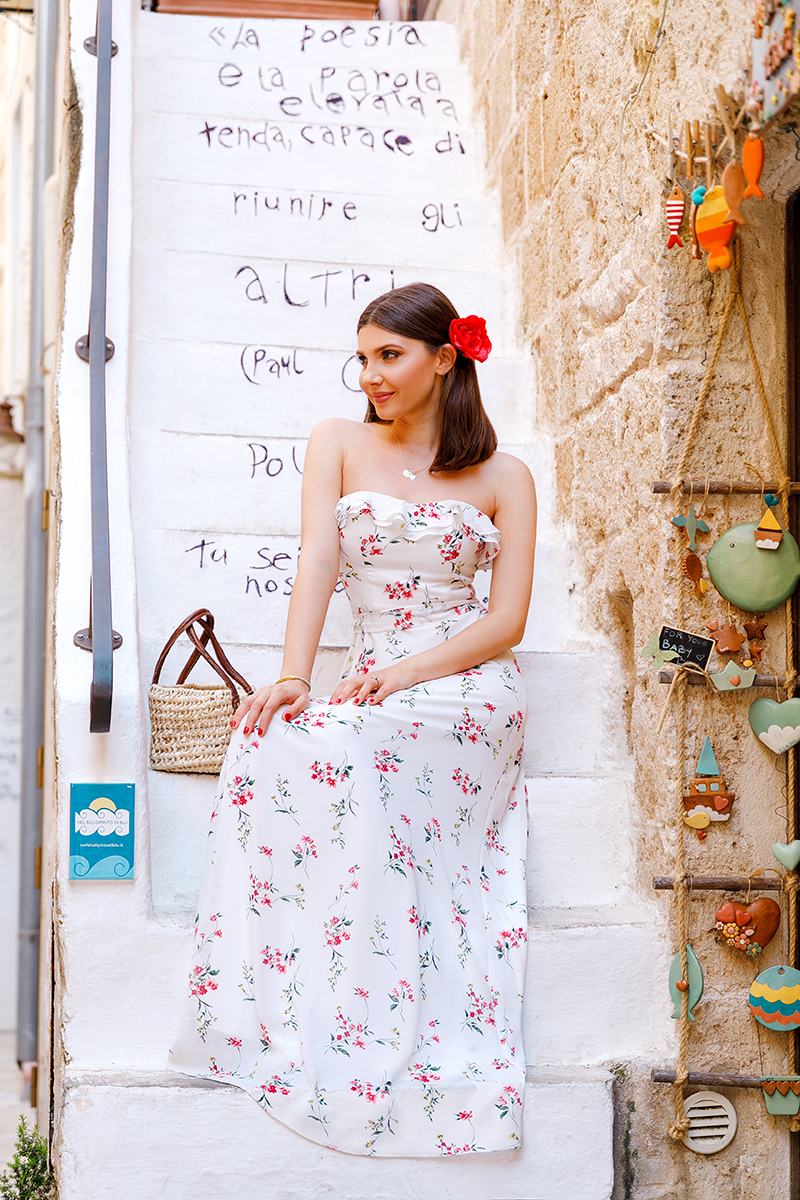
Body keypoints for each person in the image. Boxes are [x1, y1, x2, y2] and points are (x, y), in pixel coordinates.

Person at [169, 282, 537, 1158]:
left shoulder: (505, 476)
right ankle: (317, 981)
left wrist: (409, 671)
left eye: (390, 356)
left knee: (364, 733)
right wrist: (296, 675)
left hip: (468, 683)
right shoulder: (336, 443)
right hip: (374, 677)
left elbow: (508, 619)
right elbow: (319, 561)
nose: (369, 374)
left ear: (445, 359)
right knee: (275, 736)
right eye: (363, 356)